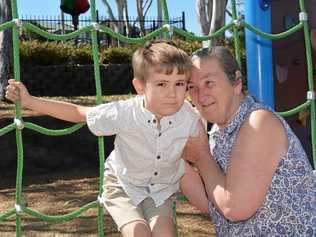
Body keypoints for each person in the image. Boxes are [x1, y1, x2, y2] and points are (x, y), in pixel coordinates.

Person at [5, 40, 208, 237]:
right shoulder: (125, 112)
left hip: (161, 189)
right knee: (139, 232)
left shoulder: (189, 117)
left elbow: (202, 154)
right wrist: (30, 101)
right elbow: (78, 112)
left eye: (179, 83)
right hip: (122, 185)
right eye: (162, 84)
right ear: (140, 86)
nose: (172, 93)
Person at [184, 46, 316, 236]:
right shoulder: (217, 133)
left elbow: (234, 207)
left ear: (237, 82)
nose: (200, 94)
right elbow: (212, 202)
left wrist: (200, 155)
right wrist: (171, 156)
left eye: (209, 83)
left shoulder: (259, 122)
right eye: (192, 87)